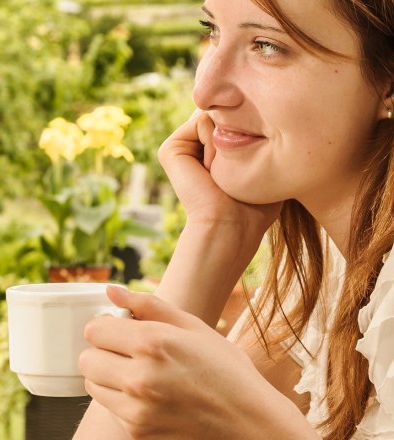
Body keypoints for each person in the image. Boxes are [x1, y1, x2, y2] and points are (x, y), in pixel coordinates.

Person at [74, 0, 394, 438]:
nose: (204, 91)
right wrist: (216, 230)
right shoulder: (322, 280)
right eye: (213, 30)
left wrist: (252, 423)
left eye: (267, 45)